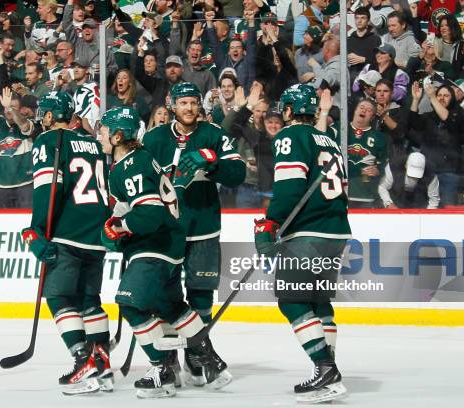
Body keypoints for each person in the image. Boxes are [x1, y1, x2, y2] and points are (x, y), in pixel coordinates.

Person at [97, 106, 227, 398]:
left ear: (118, 136)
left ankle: (161, 370)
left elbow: (149, 214)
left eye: (104, 130)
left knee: (130, 303)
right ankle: (211, 360)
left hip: (154, 247)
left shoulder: (131, 165)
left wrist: (120, 230)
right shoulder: (133, 162)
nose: (100, 134)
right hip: (167, 245)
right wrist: (118, 230)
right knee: (173, 307)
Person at [141, 82, 245, 388]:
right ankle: (170, 358)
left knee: (201, 294)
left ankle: (196, 353)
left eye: (193, 103)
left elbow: (237, 174)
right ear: (173, 105)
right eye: (183, 103)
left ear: (200, 105)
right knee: (166, 296)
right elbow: (139, 177)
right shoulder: (155, 138)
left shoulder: (213, 134)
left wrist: (211, 162)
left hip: (203, 227)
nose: (189, 108)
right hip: (166, 230)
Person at [254, 83, 350, 403]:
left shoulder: (289, 136)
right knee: (318, 301)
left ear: (290, 111)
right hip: (335, 229)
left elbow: (290, 188)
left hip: (309, 231)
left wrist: (271, 223)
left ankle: (324, 368)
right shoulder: (329, 139)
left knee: (292, 299)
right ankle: (329, 368)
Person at [21, 91, 112, 395]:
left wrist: (37, 231)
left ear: (48, 116)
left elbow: (48, 190)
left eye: (43, 113)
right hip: (97, 233)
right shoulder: (94, 144)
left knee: (59, 297)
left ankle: (83, 360)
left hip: (67, 232)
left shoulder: (48, 141)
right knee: (89, 300)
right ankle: (103, 365)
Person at [409, 81, 464, 206]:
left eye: (446, 95)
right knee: (423, 208)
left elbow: (447, 119)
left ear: (452, 98)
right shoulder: (430, 116)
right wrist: (415, 100)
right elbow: (414, 123)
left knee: (447, 208)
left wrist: (433, 97)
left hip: (448, 171)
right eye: (439, 95)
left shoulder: (459, 114)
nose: (441, 98)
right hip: (427, 171)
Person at [0, 81, 35, 208]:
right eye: (6, 107)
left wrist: (10, 108)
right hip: (0, 185)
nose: (9, 111)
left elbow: (24, 126)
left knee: (26, 221)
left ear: (21, 109)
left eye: (14, 107)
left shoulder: (28, 122)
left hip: (25, 185)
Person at [340, 99, 388, 208]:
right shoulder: (339, 128)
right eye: (361, 107)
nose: (364, 110)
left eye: (369, 110)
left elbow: (384, 163)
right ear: (355, 111)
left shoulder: (379, 138)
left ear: (372, 117)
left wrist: (378, 170)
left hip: (364, 195)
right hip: (338, 192)